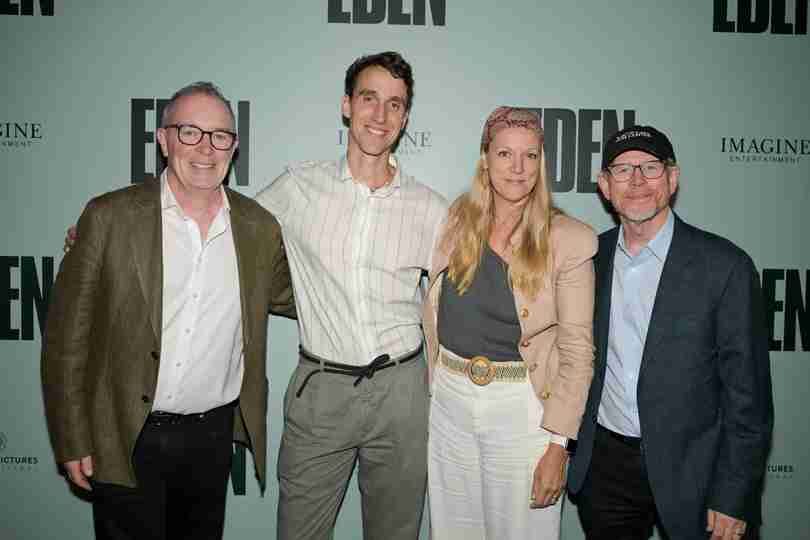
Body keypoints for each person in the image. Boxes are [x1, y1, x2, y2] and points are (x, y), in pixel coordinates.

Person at [42, 82, 295, 540]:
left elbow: (309, 295)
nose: (205, 148)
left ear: (234, 147)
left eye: (219, 136)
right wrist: (73, 438)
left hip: (212, 439)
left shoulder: (259, 228)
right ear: (163, 139)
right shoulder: (108, 217)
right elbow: (67, 342)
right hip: (125, 434)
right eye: (189, 132)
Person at [254, 51, 447, 540]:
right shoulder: (298, 187)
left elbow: (465, 293)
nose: (380, 116)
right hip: (321, 391)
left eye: (395, 105)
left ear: (405, 118)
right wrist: (127, 229)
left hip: (403, 393)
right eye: (369, 99)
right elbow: (224, 233)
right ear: (346, 106)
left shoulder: (430, 208)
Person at [567, 125, 774, 540]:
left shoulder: (725, 267)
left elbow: (747, 399)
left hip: (697, 467)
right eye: (623, 170)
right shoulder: (591, 258)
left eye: (650, 167)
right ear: (605, 186)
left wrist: (734, 495)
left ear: (673, 179)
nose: (638, 180)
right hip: (607, 471)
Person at [421, 106, 597, 539]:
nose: (517, 169)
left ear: (542, 162)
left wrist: (558, 446)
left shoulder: (569, 240)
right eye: (504, 154)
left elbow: (577, 352)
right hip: (450, 403)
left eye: (530, 156)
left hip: (523, 409)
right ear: (485, 159)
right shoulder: (452, 223)